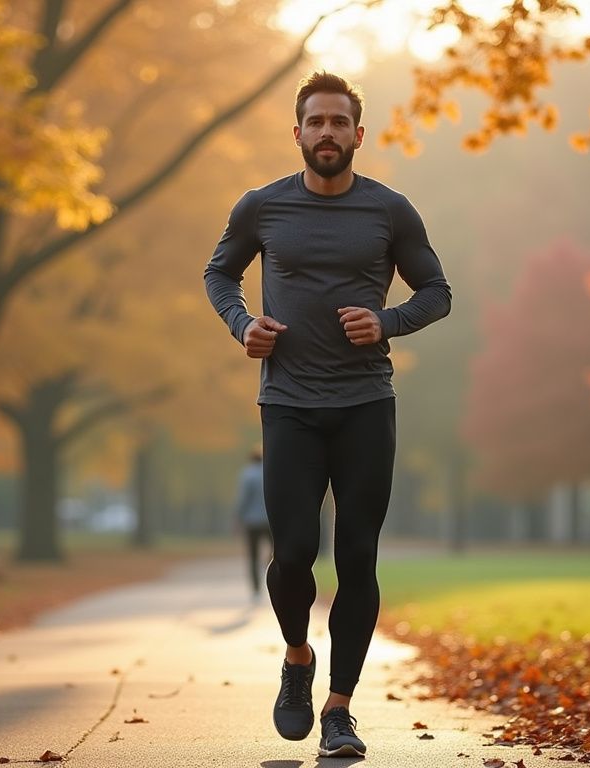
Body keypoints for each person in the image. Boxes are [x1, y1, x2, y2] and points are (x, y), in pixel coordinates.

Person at [203, 71, 451, 758]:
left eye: (340, 123)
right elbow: (219, 274)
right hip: (288, 405)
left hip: (366, 405)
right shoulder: (262, 207)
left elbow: (437, 290)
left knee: (358, 559)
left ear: (358, 135)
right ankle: (297, 659)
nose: (328, 133)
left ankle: (339, 710)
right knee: (291, 557)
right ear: (299, 133)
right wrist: (240, 323)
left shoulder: (389, 211)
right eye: (317, 122)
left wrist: (388, 320)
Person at [233, 445, 272, 598]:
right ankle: (268, 565)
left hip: (252, 522)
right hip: (269, 520)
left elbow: (243, 500)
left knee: (252, 556)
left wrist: (238, 518)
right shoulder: (270, 471)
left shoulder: (246, 475)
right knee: (277, 551)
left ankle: (256, 590)